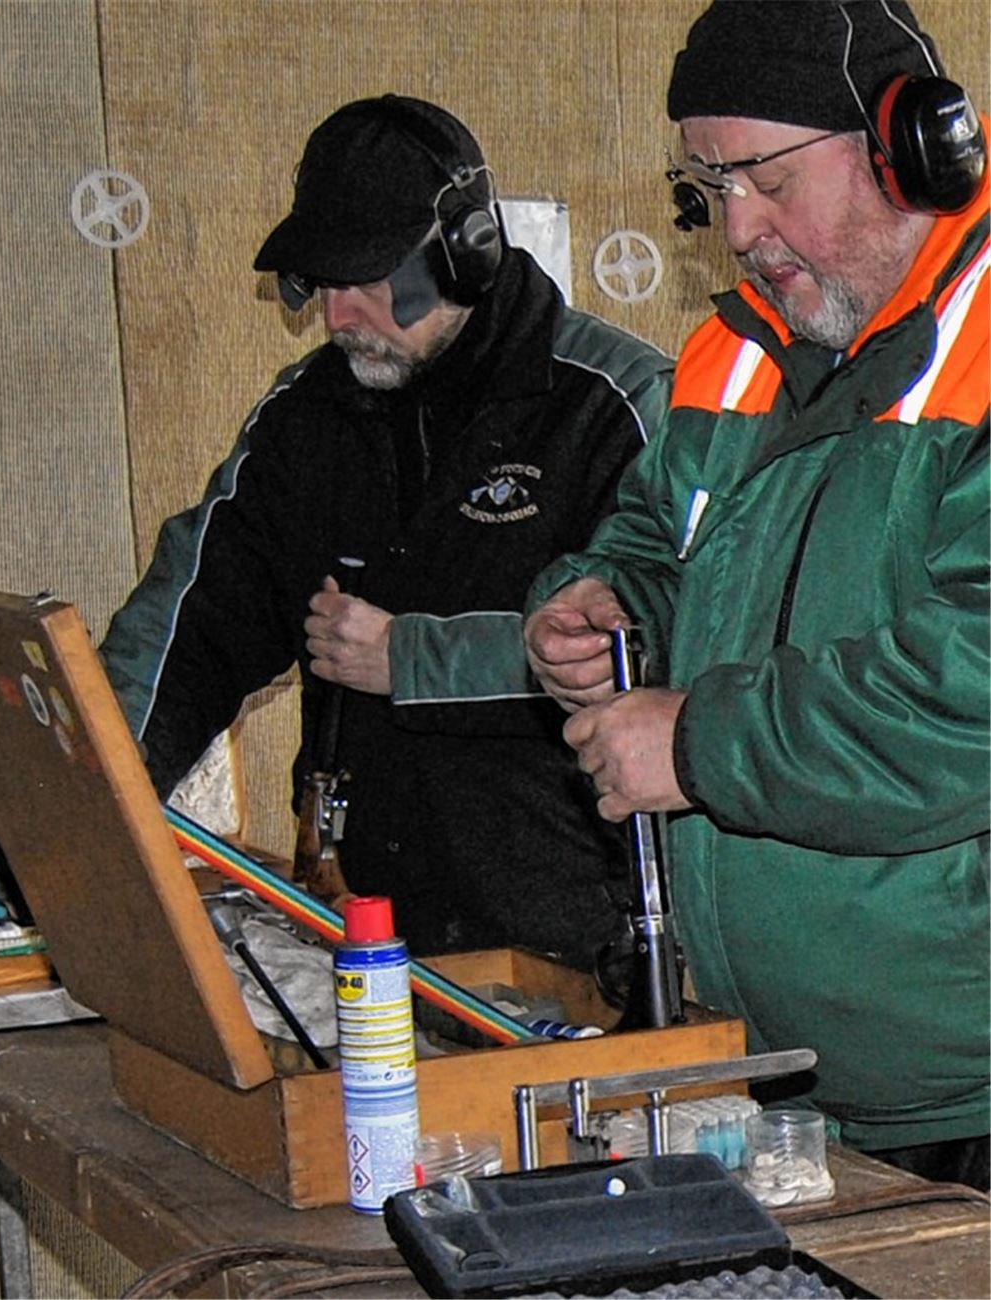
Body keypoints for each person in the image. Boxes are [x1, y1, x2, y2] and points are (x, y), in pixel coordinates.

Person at [525, 0, 989, 1186]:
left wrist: (699, 743)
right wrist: (604, 603)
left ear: (910, 150)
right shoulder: (734, 352)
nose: (738, 226)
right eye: (709, 187)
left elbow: (970, 693)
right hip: (791, 1087)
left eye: (766, 179)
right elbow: (657, 535)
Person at [100, 94, 673, 972]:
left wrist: (414, 657)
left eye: (369, 282)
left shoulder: (616, 409)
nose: (338, 317)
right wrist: (93, 800)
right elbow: (194, 617)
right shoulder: (310, 415)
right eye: (324, 286)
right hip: (368, 940)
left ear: (465, 256)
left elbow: (671, 653)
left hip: (575, 945)